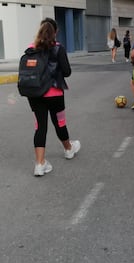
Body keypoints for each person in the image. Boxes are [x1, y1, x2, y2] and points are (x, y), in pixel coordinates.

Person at [27, 18, 80, 177]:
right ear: (55, 32)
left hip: (35, 94)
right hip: (55, 94)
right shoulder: (58, 48)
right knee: (60, 123)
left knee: (40, 127)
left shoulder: (31, 48)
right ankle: (68, 149)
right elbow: (67, 72)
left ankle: (39, 164)